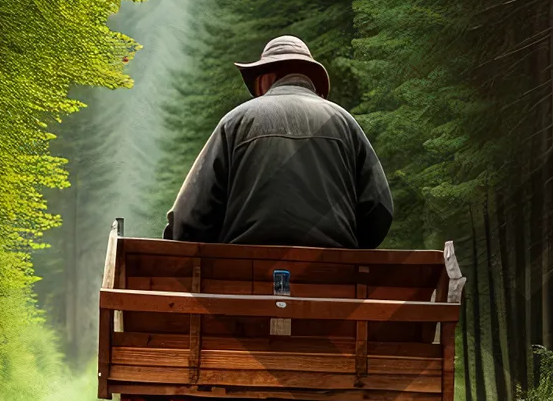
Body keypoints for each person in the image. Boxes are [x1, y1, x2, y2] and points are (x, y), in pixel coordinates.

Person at [163, 35, 394, 248]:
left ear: (265, 79)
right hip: (333, 274)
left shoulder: (235, 122)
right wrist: (347, 252)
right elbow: (380, 209)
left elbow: (189, 218)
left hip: (241, 273)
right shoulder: (345, 122)